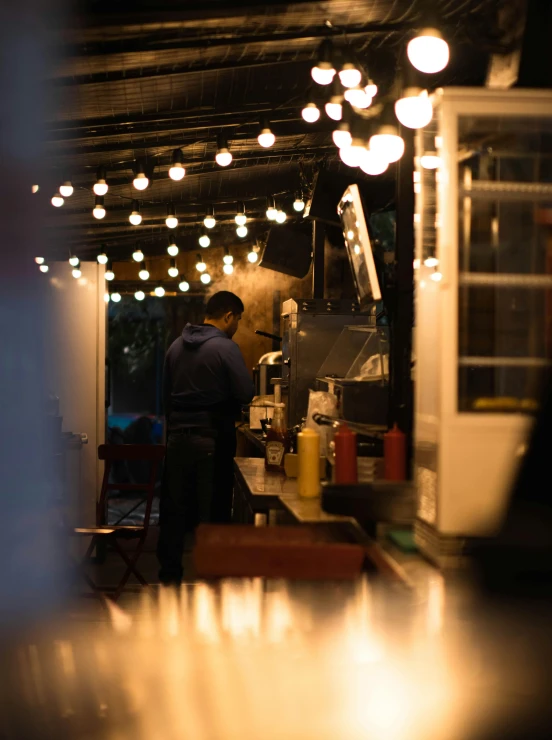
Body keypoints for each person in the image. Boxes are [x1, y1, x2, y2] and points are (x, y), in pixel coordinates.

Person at [157, 290, 255, 584]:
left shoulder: (175, 347)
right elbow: (246, 393)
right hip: (211, 439)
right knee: (212, 514)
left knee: (174, 514)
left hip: (176, 441)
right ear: (228, 316)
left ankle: (169, 580)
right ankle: (211, 584)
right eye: (237, 319)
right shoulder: (226, 348)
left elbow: (166, 399)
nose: (236, 326)